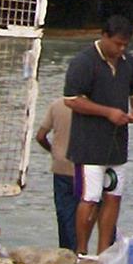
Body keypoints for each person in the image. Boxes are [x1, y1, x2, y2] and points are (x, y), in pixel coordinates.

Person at [64, 13, 133, 257]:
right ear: (104, 36)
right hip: (89, 145)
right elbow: (71, 100)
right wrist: (107, 112)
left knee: (114, 197)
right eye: (117, 44)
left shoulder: (128, 62)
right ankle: (81, 251)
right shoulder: (83, 62)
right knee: (89, 198)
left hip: (117, 144)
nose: (121, 49)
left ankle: (104, 252)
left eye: (125, 45)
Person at [33, 95, 78, 251]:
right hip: (84, 167)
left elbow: (40, 136)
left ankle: (66, 251)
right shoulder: (93, 106)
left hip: (60, 165)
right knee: (85, 211)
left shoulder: (56, 105)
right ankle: (82, 251)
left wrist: (53, 150)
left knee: (64, 213)